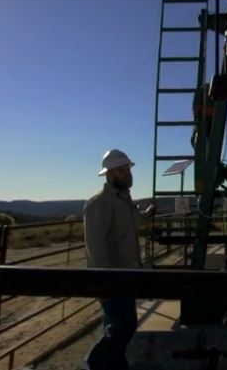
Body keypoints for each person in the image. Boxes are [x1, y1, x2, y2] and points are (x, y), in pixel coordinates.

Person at [83, 148, 142, 370]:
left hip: (127, 275)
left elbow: (129, 229)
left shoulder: (124, 200)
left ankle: (115, 365)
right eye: (121, 170)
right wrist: (104, 282)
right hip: (113, 278)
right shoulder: (99, 203)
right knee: (123, 326)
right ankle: (94, 362)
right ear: (109, 174)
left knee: (119, 326)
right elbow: (96, 246)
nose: (127, 174)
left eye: (127, 169)